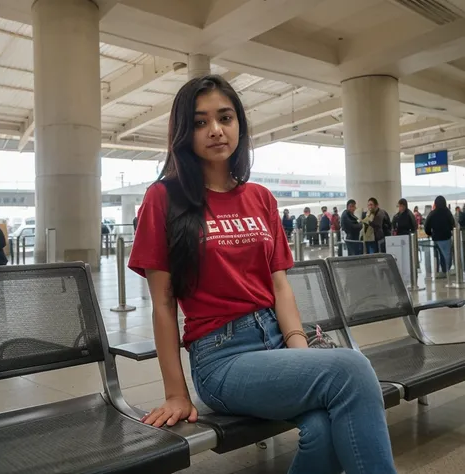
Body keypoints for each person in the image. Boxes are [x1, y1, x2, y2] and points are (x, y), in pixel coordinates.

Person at [128, 74, 396, 473]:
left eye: (225, 117)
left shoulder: (260, 198)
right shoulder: (164, 198)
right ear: (184, 132)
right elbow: (163, 304)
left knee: (323, 429)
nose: (216, 130)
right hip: (221, 359)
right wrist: (175, 393)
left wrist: (299, 355)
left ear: (240, 125)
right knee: (353, 369)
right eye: (200, 122)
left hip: (276, 341)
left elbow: (280, 287)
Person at [424, 196, 455, 278]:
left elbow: (426, 225)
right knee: (447, 253)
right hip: (447, 236)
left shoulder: (432, 213)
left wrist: (430, 233)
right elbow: (452, 223)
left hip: (436, 237)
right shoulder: (447, 212)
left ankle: (440, 271)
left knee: (439, 254)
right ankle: (446, 270)